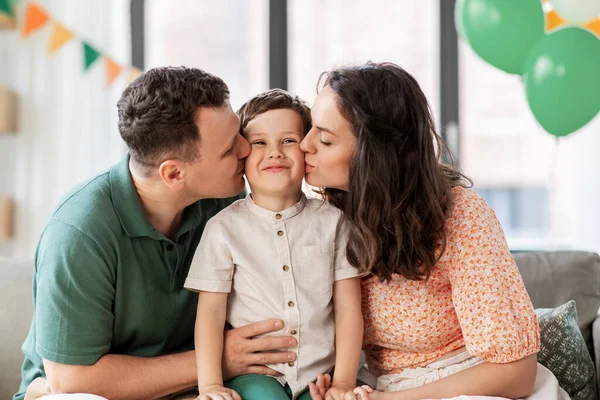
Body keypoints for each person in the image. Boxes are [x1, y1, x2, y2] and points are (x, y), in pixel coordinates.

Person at [15, 67, 298, 400]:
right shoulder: (79, 232)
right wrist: (218, 360)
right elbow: (70, 381)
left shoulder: (225, 198)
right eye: (227, 150)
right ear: (174, 173)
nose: (245, 149)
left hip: (195, 389)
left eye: (238, 133)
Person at [302, 62, 570, 400]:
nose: (304, 145)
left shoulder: (461, 215)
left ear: (373, 157)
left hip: (474, 386)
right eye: (311, 128)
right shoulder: (326, 220)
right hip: (385, 387)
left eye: (325, 140)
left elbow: (515, 373)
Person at [184, 89, 364, 400]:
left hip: (321, 374)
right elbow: (210, 314)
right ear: (241, 155)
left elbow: (349, 308)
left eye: (288, 140)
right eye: (259, 143)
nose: (275, 152)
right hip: (257, 375)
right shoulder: (222, 229)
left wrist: (344, 383)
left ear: (307, 149)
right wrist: (211, 385)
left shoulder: (334, 222)